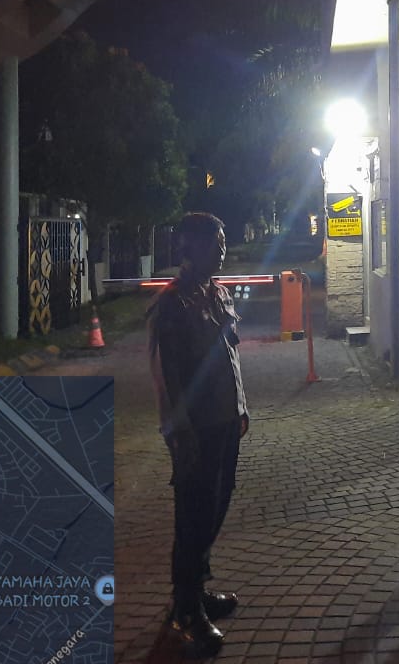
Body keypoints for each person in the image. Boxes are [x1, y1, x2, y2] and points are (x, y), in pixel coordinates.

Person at [148, 212, 249, 655]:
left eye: (223, 241)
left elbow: (230, 357)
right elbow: (166, 377)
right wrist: (179, 433)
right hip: (196, 430)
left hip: (225, 422)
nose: (222, 250)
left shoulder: (217, 293)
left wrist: (241, 407)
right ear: (190, 247)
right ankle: (185, 611)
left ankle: (197, 591)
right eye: (215, 242)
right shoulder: (172, 304)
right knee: (192, 518)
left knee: (214, 509)